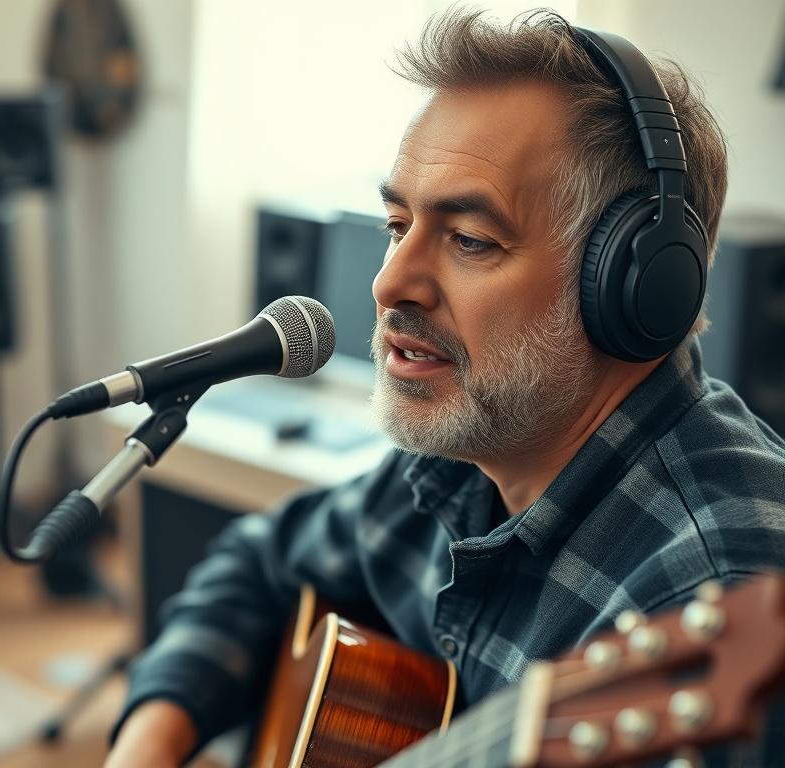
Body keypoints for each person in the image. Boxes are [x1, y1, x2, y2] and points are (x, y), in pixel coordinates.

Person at [105, 9, 785, 767]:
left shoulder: (718, 592)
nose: (389, 280)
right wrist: (150, 739)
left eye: (470, 240)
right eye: (397, 224)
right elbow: (263, 557)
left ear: (635, 290)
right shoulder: (468, 453)